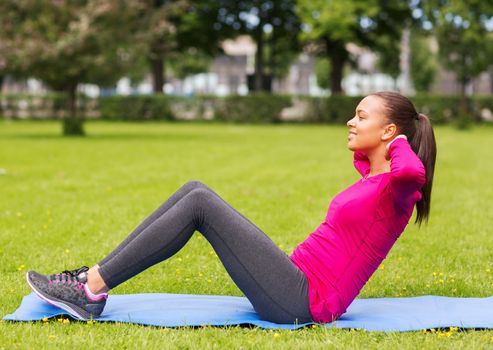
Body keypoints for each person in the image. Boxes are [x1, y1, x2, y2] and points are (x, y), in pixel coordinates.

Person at [26, 91, 436, 324]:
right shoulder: (377, 181)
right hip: (295, 280)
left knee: (201, 203)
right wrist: (382, 143)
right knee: (194, 189)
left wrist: (399, 140)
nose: (350, 121)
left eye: (361, 116)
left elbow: (412, 172)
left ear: (388, 131)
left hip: (304, 301)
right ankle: (90, 280)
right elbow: (370, 164)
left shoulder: (401, 189)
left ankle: (89, 291)